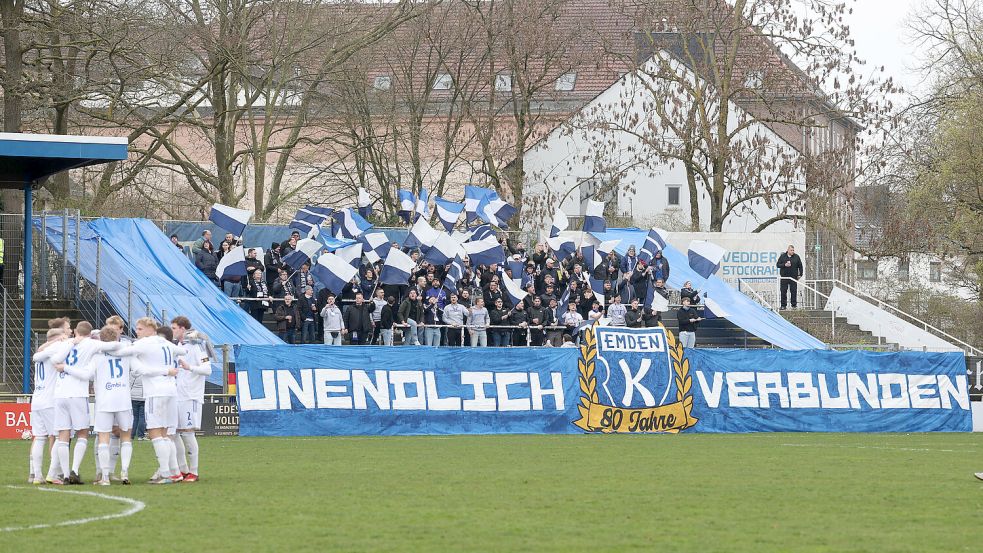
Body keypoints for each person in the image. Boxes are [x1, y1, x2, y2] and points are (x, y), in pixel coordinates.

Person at [114, 318, 187, 484]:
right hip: (171, 391)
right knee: (165, 433)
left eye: (139, 329)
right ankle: (175, 472)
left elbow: (122, 355)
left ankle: (166, 474)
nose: (137, 332)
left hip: (156, 391)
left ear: (149, 329)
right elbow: (183, 352)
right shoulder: (165, 342)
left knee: (154, 432)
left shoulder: (145, 343)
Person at [51, 321, 120, 485]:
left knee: (63, 434)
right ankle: (74, 470)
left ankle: (66, 474)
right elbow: (113, 347)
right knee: (82, 433)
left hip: (60, 394)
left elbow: (55, 360)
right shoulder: (91, 344)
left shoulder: (67, 342)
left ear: (75, 331)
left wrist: (69, 348)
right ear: (90, 333)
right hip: (77, 394)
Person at [85, 326, 135, 486]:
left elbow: (88, 375)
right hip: (123, 399)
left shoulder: (97, 355)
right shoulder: (126, 351)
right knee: (126, 437)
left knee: (103, 438)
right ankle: (125, 472)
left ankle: (105, 476)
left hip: (104, 401)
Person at [171, 317, 212, 483]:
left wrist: (190, 368)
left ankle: (194, 471)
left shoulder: (196, 346)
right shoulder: (178, 347)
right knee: (173, 433)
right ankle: (183, 469)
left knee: (188, 433)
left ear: (182, 328)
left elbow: (207, 369)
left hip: (191, 396)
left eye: (174, 328)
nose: (172, 331)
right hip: (177, 396)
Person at [30, 327, 71, 485]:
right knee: (60, 436)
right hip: (50, 401)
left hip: (37, 400)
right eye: (64, 335)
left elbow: (36, 355)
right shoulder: (55, 348)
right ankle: (52, 474)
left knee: (40, 438)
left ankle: (37, 475)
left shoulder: (40, 353)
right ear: (58, 338)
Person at [777, 244, 803, 309]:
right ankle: (783, 305)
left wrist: (800, 274)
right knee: (783, 291)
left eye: (793, 250)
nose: (792, 251)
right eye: (791, 250)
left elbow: (800, 266)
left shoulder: (796, 257)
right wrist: (784, 264)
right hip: (784, 277)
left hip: (793, 278)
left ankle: (794, 305)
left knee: (793, 291)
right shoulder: (783, 256)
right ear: (788, 250)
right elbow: (778, 265)